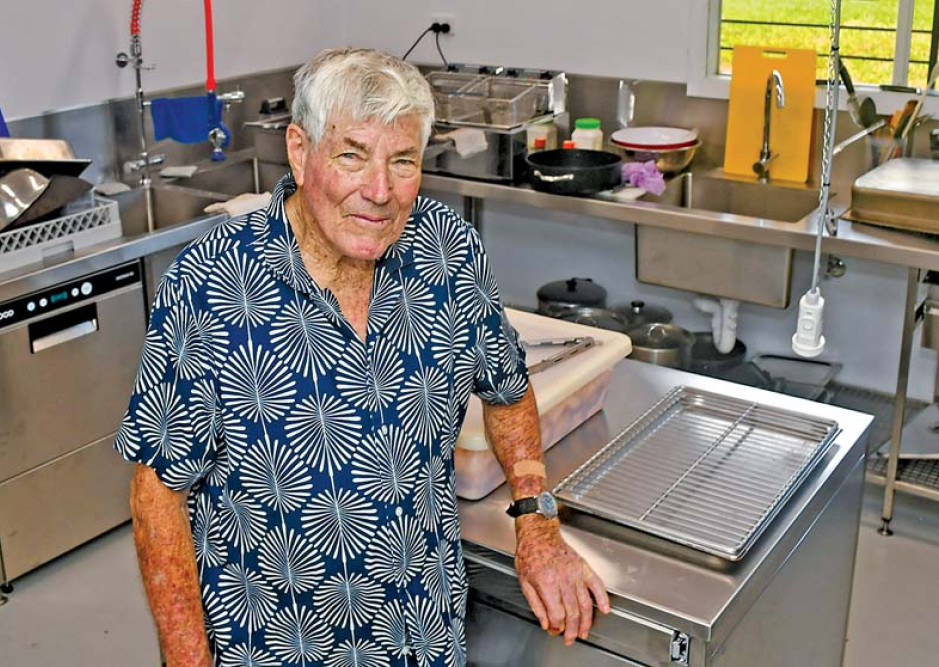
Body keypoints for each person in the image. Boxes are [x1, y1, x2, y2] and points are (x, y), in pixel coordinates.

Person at [116, 47, 609, 667]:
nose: (380, 192)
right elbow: (156, 492)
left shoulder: (446, 251)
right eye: (352, 155)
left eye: (401, 161)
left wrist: (536, 520)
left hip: (424, 639)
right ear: (300, 152)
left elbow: (506, 388)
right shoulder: (211, 284)